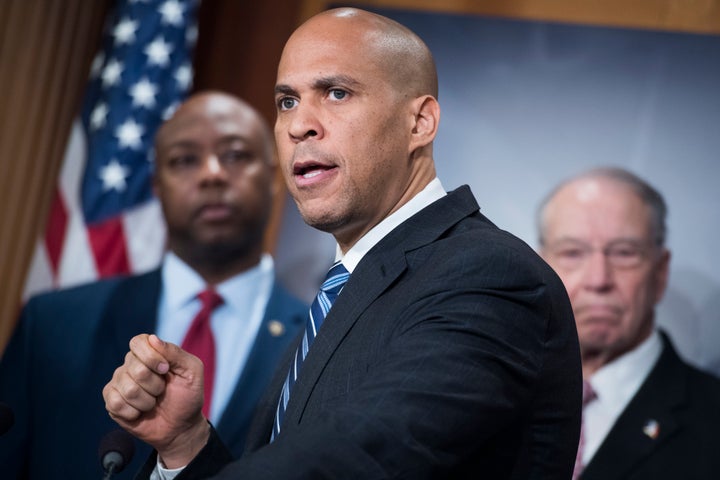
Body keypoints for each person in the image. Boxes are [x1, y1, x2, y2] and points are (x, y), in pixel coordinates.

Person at [103, 8, 582, 479]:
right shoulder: (348, 284)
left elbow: (360, 459)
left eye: (336, 93)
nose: (298, 126)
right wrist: (185, 443)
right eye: (287, 101)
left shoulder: (489, 274)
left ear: (420, 123)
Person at [0, 91, 308, 479]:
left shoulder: (322, 339)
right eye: (184, 160)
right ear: (158, 186)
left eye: (235, 155)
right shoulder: (52, 323)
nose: (212, 174)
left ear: (273, 177)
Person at [537, 167, 720, 479]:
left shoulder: (712, 420)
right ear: (540, 266)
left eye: (624, 253)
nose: (598, 280)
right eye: (572, 253)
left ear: (660, 272)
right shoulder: (490, 400)